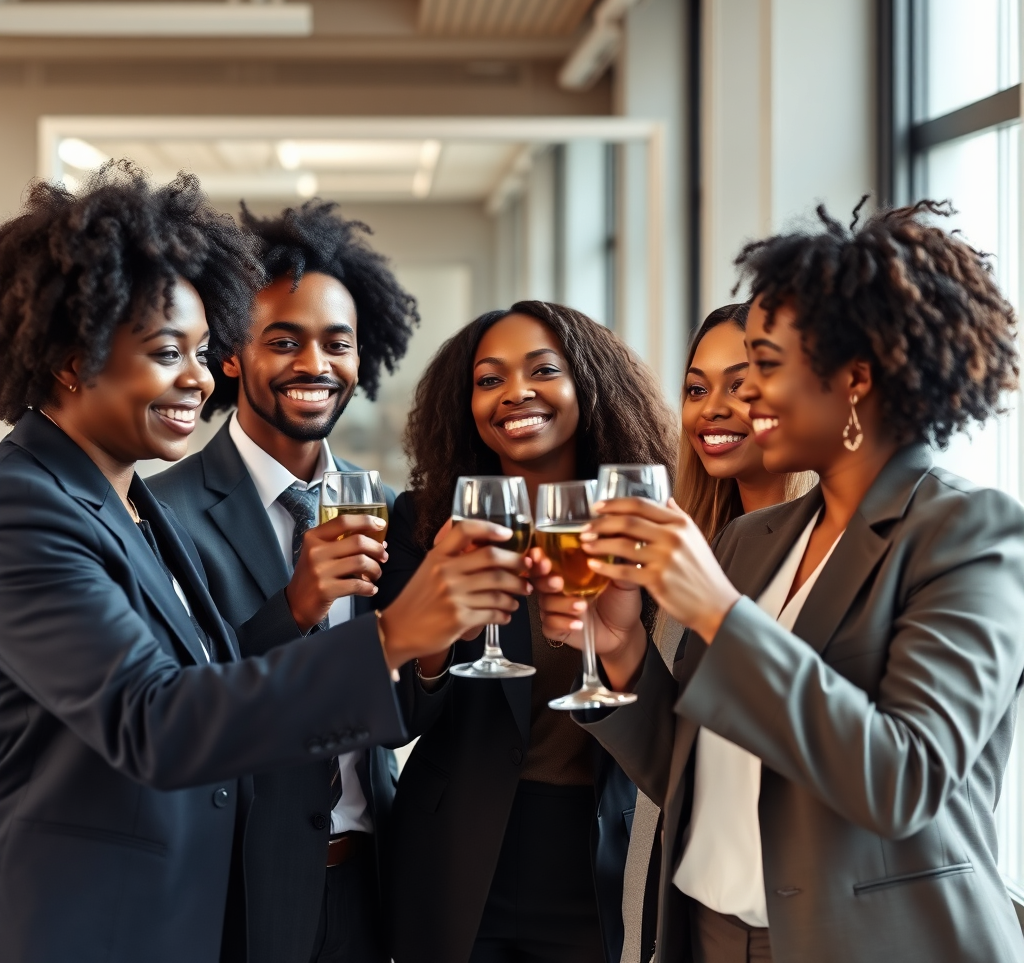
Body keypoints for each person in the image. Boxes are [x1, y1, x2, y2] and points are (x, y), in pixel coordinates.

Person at [0, 165, 530, 963]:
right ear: (73, 358)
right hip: (105, 921)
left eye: (201, 349)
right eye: (166, 351)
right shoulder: (23, 505)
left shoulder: (126, 503)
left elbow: (221, 670)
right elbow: (156, 718)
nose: (196, 376)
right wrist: (384, 637)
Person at [538, 201, 1024, 963]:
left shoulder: (969, 532)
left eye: (766, 366)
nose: (745, 396)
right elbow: (693, 768)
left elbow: (903, 780)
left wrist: (719, 612)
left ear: (855, 379)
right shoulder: (754, 538)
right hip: (706, 934)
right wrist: (623, 648)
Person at [150, 200, 418, 963]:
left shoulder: (389, 509)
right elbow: (172, 713)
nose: (315, 365)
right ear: (231, 356)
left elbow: (406, 706)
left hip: (370, 888)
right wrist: (294, 609)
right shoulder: (163, 513)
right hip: (233, 893)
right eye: (283, 341)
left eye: (338, 343)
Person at [375, 301, 678, 963]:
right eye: (489, 380)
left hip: (597, 853)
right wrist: (436, 626)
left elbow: (671, 714)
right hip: (454, 852)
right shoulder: (426, 522)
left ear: (588, 386)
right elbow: (396, 716)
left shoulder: (637, 524)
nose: (514, 393)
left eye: (543, 369)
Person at [620, 303, 813, 963]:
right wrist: (618, 647)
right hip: (698, 918)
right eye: (697, 389)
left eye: (743, 382)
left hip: (812, 921)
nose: (713, 409)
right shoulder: (689, 550)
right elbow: (673, 767)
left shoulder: (842, 555)